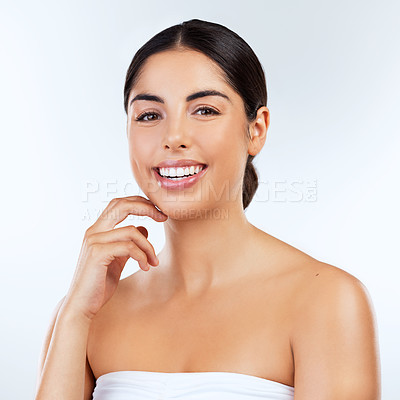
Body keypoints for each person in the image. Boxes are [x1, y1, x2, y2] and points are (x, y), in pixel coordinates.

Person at [35, 18, 381, 400]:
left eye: (204, 110)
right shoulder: (86, 312)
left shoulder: (326, 301)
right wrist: (73, 318)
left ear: (256, 130)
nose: (174, 138)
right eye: (150, 115)